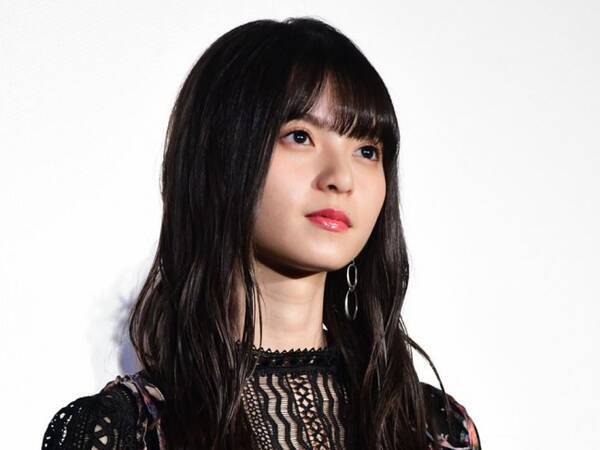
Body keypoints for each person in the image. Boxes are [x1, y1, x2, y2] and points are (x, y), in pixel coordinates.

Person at [42, 17, 481, 450]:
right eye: (300, 137)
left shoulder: (434, 428)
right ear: (221, 154)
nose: (340, 177)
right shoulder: (122, 432)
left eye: (367, 150)